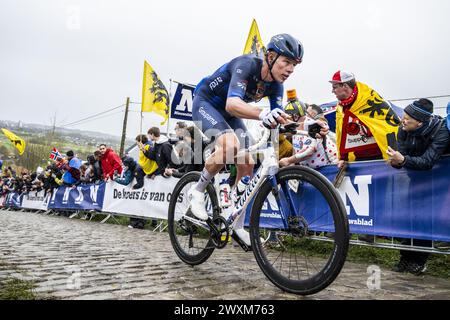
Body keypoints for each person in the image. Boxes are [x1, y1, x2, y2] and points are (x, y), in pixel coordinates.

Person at [188, 33, 304, 245]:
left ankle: (236, 223)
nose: (290, 69)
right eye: (287, 62)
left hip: (230, 115)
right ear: (270, 56)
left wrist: (306, 126)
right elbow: (232, 104)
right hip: (206, 104)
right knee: (230, 145)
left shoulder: (276, 85)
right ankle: (196, 191)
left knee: (248, 162)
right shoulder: (246, 65)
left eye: (294, 65)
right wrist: (262, 115)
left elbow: (279, 118)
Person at [386, 99, 450, 274]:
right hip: (416, 179)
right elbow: (402, 154)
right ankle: (405, 259)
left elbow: (428, 161)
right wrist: (396, 162)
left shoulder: (441, 130)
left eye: (407, 118)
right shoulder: (403, 129)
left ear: (420, 122)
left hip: (439, 182)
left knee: (425, 220)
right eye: (403, 116)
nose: (402, 120)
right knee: (410, 219)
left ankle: (419, 262)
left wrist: (404, 160)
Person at [331, 70, 401, 168]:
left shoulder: (368, 98)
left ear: (345, 86)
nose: (332, 91)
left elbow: (390, 123)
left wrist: (367, 129)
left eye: (335, 87)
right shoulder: (341, 106)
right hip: (357, 160)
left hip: (379, 158)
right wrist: (343, 158)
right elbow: (341, 132)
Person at [280, 104, 338, 168]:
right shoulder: (295, 128)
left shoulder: (311, 125)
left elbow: (308, 152)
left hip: (329, 166)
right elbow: (296, 150)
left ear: (295, 117)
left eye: (285, 120)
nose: (283, 123)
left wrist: (288, 160)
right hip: (315, 170)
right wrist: (291, 165)